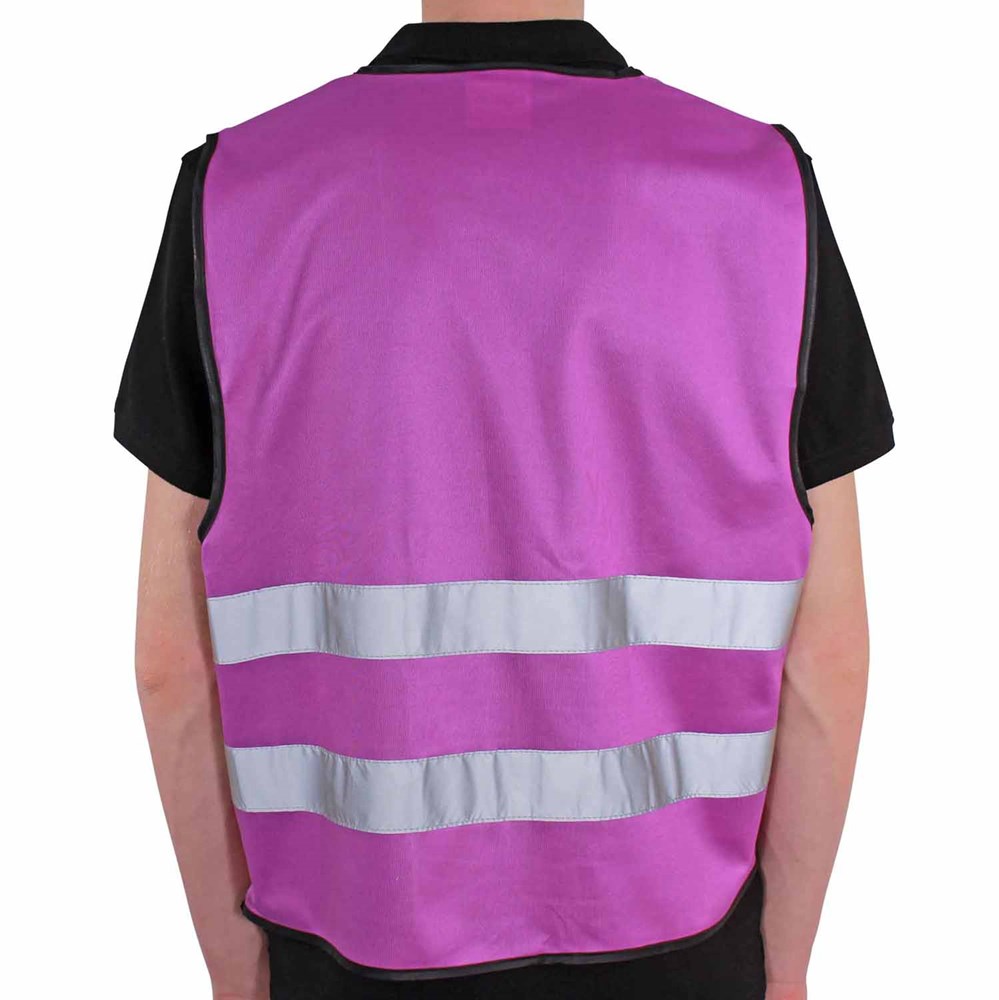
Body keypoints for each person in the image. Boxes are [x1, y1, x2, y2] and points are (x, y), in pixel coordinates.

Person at [114, 2, 894, 998]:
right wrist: (780, 968)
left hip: (351, 950)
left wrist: (236, 968)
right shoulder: (759, 190)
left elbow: (170, 666)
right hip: (684, 947)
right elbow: (828, 661)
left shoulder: (239, 191)